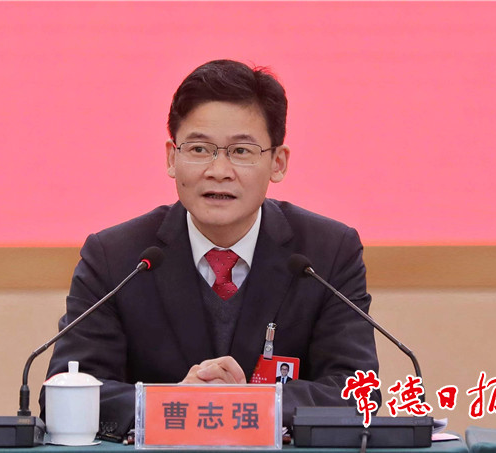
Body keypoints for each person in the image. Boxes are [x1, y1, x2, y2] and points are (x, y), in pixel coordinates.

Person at [41, 59, 380, 437]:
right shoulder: (116, 257)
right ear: (172, 158)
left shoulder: (327, 253)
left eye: (241, 151)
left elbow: (356, 390)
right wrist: (174, 402)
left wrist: (248, 405)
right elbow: (67, 390)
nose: (218, 170)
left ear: (278, 163)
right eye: (199, 149)